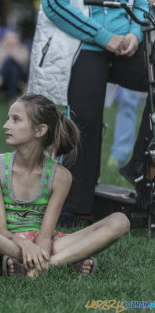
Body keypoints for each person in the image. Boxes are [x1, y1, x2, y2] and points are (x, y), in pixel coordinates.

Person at [0, 94, 130, 277]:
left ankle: (44, 265)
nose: (6, 125)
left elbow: (44, 235)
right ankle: (65, 260)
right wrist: (24, 244)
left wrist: (38, 249)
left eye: (15, 120)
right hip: (6, 242)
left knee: (120, 221)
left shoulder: (60, 177)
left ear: (39, 130)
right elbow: (0, 230)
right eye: (8, 119)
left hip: (45, 243)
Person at [27, 0, 149, 227]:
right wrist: (103, 36)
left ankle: (141, 167)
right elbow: (54, 5)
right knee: (84, 122)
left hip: (127, 41)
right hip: (83, 44)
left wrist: (135, 34)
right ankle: (73, 206)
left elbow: (142, 2)